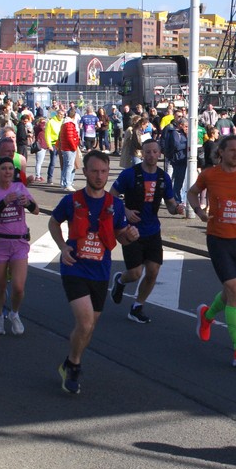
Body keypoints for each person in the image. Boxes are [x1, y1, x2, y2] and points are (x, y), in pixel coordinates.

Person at [49, 151, 140, 394]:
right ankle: (74, 367)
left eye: (104, 172)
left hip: (100, 272)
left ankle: (69, 362)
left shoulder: (115, 205)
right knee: (85, 322)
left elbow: (121, 236)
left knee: (89, 328)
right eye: (95, 171)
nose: (100, 176)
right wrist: (62, 247)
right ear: (85, 172)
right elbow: (53, 222)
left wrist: (130, 236)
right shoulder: (72, 201)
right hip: (74, 267)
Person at [189, 135, 236, 367]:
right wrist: (199, 212)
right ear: (220, 152)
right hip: (217, 239)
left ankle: (207, 316)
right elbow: (192, 193)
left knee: (230, 292)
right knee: (235, 290)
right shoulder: (209, 175)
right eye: (232, 150)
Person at [109, 138, 185, 324]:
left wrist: (177, 209)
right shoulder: (129, 174)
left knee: (153, 271)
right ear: (142, 154)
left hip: (152, 230)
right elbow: (110, 197)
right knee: (135, 273)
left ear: (160, 154)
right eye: (148, 152)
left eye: (154, 152)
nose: (151, 155)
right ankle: (120, 280)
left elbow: (170, 204)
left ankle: (137, 307)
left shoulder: (163, 177)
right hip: (130, 230)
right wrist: (125, 211)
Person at [0, 157, 39, 335]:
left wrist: (27, 203)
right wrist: (4, 202)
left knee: (19, 287)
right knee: (0, 287)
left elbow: (36, 210)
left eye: (10, 169)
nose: (7, 172)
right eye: (4, 168)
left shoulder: (20, 187)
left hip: (19, 243)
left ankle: (14, 313)